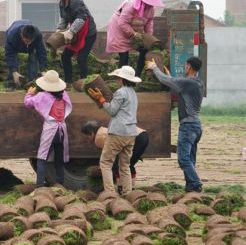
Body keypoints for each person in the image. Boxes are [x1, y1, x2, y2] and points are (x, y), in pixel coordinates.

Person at [146, 56, 204, 192]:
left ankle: (196, 184)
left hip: (188, 127)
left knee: (183, 159)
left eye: (185, 65)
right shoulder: (198, 83)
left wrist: (154, 67)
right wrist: (170, 77)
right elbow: (176, 86)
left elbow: (165, 81)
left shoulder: (188, 82)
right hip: (196, 126)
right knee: (190, 159)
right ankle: (190, 187)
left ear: (189, 66)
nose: (185, 68)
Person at [87, 66, 141, 195]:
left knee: (105, 163)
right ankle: (127, 194)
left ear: (122, 79)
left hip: (118, 132)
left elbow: (112, 111)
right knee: (125, 166)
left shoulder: (121, 92)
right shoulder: (133, 93)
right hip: (131, 133)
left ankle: (110, 193)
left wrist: (101, 99)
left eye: (117, 78)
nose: (116, 80)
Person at [24, 70, 72, 187]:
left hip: (51, 129)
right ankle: (60, 184)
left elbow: (27, 103)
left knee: (41, 157)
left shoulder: (42, 96)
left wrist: (29, 93)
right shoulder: (64, 95)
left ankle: (40, 186)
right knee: (59, 160)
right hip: (61, 130)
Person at [106, 0, 164, 77]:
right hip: (118, 27)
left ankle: (137, 77)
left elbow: (149, 23)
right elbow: (122, 22)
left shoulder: (151, 9)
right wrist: (133, 33)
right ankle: (122, 79)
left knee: (144, 49)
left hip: (135, 28)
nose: (150, 5)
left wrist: (148, 38)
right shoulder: (131, 5)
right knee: (124, 55)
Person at [81, 120, 149, 189]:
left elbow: (109, 156)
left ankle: (122, 187)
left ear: (92, 133)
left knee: (120, 164)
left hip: (137, 137)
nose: (88, 139)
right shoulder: (103, 130)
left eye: (87, 136)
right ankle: (129, 187)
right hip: (142, 135)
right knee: (127, 164)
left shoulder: (98, 138)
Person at [54, 0, 97, 85]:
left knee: (81, 58)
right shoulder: (62, 3)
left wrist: (71, 31)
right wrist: (59, 30)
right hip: (76, 34)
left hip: (88, 34)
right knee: (65, 56)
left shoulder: (76, 2)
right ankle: (68, 81)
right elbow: (64, 18)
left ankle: (85, 83)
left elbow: (81, 18)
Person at [5, 19, 48, 90]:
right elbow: (9, 55)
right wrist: (14, 71)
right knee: (14, 59)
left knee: (33, 56)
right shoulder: (12, 36)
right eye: (26, 41)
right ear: (21, 35)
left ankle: (32, 82)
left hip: (31, 46)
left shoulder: (38, 35)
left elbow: (42, 52)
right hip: (15, 42)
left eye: (30, 41)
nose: (28, 43)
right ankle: (11, 83)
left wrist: (43, 69)